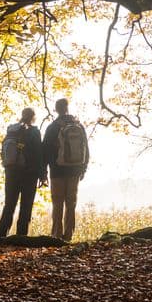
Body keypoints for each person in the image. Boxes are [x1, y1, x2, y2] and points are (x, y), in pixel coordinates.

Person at [42, 97, 88, 241]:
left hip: (57, 171)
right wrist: (83, 168)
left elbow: (45, 151)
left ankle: (56, 236)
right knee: (71, 203)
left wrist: (44, 172)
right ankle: (68, 236)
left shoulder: (53, 127)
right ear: (67, 108)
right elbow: (86, 148)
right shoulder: (78, 125)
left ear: (56, 109)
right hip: (75, 170)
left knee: (57, 203)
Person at [0, 107, 46, 237]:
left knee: (9, 205)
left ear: (22, 116)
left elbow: (4, 151)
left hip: (11, 173)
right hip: (29, 174)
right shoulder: (35, 132)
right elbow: (39, 155)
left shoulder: (11, 130)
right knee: (26, 207)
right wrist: (43, 175)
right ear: (33, 117)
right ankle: (21, 238)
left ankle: (1, 236)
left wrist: (7, 167)